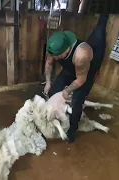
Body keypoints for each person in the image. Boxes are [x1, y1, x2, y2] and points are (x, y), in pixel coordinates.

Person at [43, 14, 108, 143]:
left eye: (57, 56)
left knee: (76, 102)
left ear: (67, 50)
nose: (55, 58)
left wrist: (68, 90)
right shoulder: (54, 47)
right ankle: (61, 116)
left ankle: (72, 131)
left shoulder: (81, 56)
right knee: (53, 91)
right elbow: (49, 63)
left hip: (85, 72)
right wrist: (48, 82)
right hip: (70, 68)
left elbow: (81, 80)